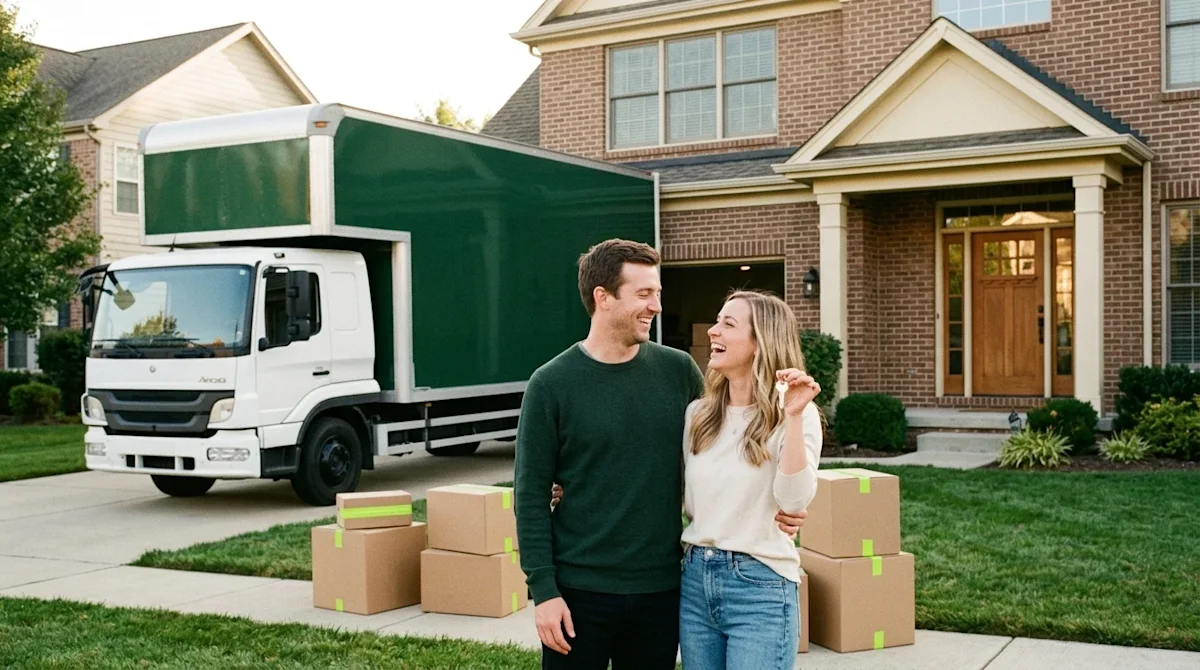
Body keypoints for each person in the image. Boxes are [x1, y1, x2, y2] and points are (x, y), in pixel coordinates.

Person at [514, 239, 806, 669]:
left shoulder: (679, 372)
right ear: (603, 297)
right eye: (644, 294)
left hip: (662, 592)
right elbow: (530, 495)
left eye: (659, 293)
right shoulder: (550, 384)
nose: (656, 306)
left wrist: (786, 506)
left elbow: (731, 448)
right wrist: (544, 592)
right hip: (578, 594)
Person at [678, 289, 822, 669]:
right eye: (716, 321)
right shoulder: (698, 415)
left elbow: (793, 503)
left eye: (728, 324)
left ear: (760, 342)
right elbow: (674, 492)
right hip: (694, 581)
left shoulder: (797, 414)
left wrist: (791, 417)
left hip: (759, 586)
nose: (712, 331)